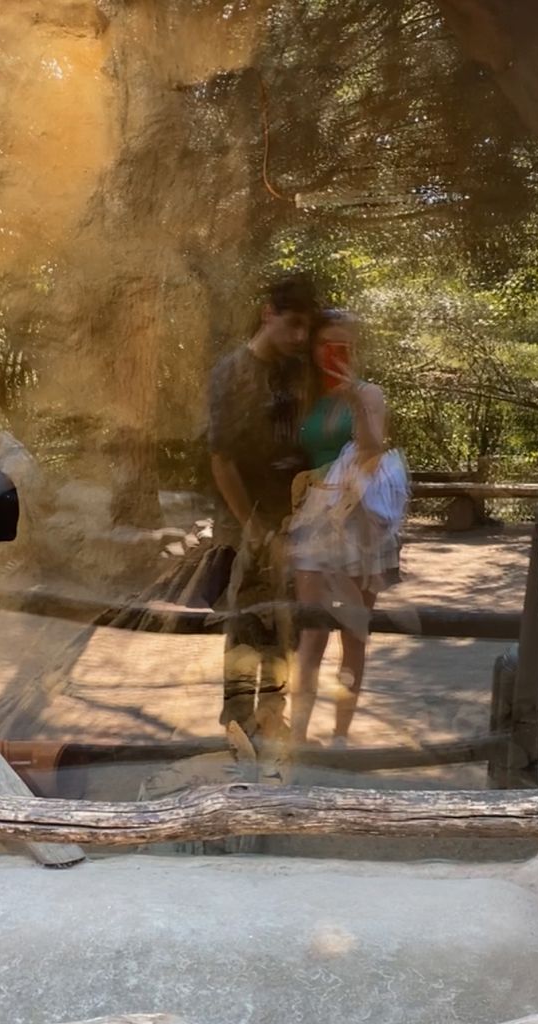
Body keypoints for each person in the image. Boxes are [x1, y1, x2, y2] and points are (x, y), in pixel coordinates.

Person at [288, 309, 407, 746]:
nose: (334, 354)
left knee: (354, 635)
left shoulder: (370, 393)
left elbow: (372, 451)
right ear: (314, 347)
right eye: (327, 344)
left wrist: (355, 394)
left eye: (345, 346)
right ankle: (298, 737)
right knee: (312, 631)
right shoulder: (304, 397)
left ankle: (340, 736)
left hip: (360, 528)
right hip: (314, 523)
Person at [208, 273, 318, 737]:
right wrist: (252, 530)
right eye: (291, 323)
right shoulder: (231, 372)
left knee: (284, 627)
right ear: (267, 314)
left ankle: (272, 718)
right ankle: (237, 723)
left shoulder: (298, 370)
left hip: (293, 523)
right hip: (244, 525)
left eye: (305, 329)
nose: (298, 337)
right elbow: (222, 460)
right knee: (245, 626)